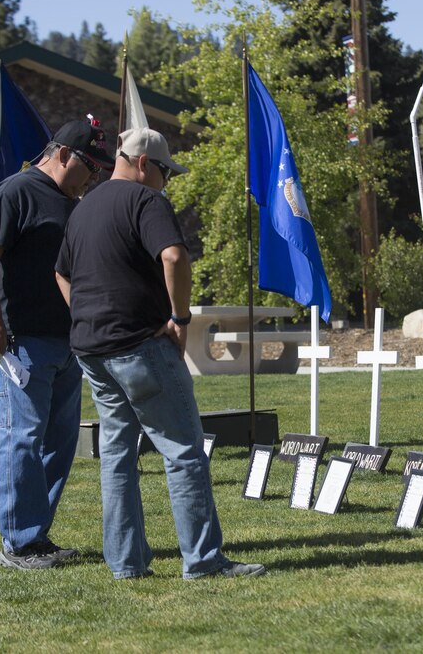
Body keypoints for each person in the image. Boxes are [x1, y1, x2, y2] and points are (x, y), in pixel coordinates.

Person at [54, 127, 265, 581]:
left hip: (91, 350)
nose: (167, 181)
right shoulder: (147, 202)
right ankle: (204, 562)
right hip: (140, 346)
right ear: (144, 163)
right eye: (166, 171)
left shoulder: (83, 207)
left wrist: (89, 315)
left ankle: (125, 564)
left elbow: (62, 275)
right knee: (184, 451)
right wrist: (181, 317)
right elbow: (173, 257)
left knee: (117, 457)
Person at [0, 116, 114, 570]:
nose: (94, 177)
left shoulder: (72, 202)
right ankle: (18, 544)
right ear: (63, 155)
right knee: (21, 439)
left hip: (67, 343)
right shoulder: (15, 191)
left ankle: (37, 536)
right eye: (90, 166)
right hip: (22, 343)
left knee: (59, 441)